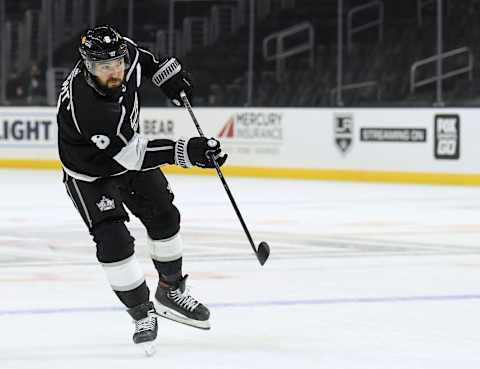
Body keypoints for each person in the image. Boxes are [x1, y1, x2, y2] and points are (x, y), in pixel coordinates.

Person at [56, 25, 226, 352]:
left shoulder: (127, 55)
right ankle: (141, 311)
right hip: (90, 175)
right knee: (113, 241)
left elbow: (147, 61)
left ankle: (170, 291)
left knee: (165, 215)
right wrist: (188, 152)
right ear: (88, 66)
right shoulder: (88, 106)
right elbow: (133, 154)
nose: (115, 71)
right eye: (105, 67)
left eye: (117, 63)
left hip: (127, 157)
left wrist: (167, 76)